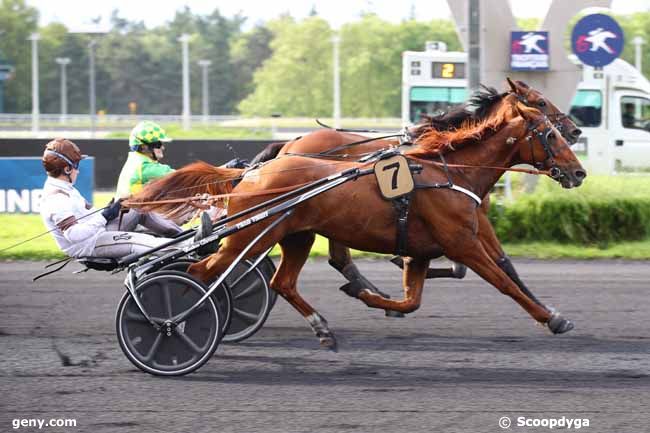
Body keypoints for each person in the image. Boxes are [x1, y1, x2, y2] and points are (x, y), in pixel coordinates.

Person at [39, 138, 211, 259]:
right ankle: (191, 246)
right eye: (76, 166)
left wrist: (111, 208)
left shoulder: (66, 189)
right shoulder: (56, 200)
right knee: (142, 241)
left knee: (136, 206)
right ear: (67, 169)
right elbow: (75, 235)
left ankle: (189, 237)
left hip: (98, 232)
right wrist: (105, 215)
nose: (78, 170)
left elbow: (88, 217)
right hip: (89, 245)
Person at [115, 120, 175, 199]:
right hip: (132, 209)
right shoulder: (144, 166)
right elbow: (178, 176)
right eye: (158, 144)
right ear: (144, 147)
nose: (162, 147)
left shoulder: (136, 159)